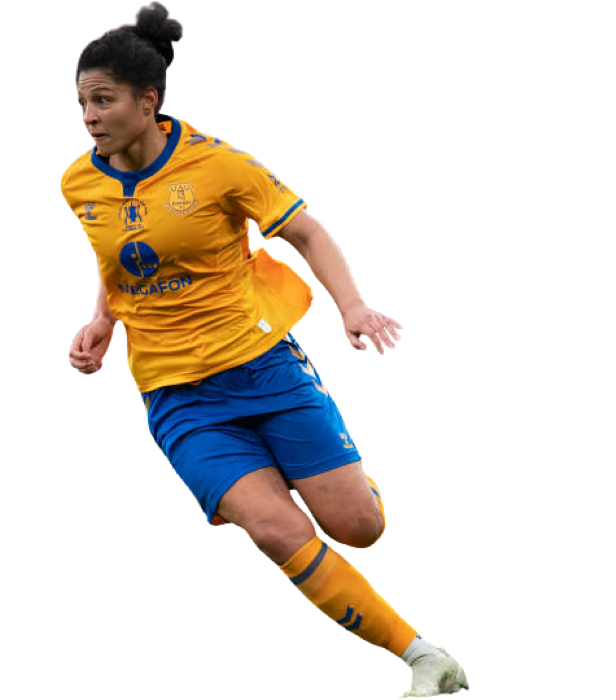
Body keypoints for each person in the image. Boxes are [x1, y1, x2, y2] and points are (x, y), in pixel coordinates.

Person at [62, 4, 469, 698]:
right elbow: (116, 258)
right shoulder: (78, 182)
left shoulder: (220, 165)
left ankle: (326, 477)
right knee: (278, 532)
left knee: (360, 528)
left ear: (149, 100)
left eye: (104, 101)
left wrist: (353, 307)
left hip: (263, 366)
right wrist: (102, 319)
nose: (89, 117)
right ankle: (424, 657)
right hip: (176, 394)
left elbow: (308, 232)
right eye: (81, 103)